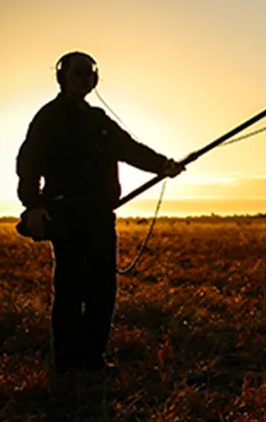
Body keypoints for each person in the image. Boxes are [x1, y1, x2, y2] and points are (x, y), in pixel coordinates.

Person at [16, 51, 185, 374]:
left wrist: (162, 165)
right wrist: (34, 205)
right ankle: (66, 363)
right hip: (65, 213)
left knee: (102, 290)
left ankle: (92, 360)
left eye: (90, 73)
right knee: (69, 289)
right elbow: (28, 164)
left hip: (100, 215)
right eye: (78, 72)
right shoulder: (48, 117)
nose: (85, 78)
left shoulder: (99, 121)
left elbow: (129, 148)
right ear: (62, 76)